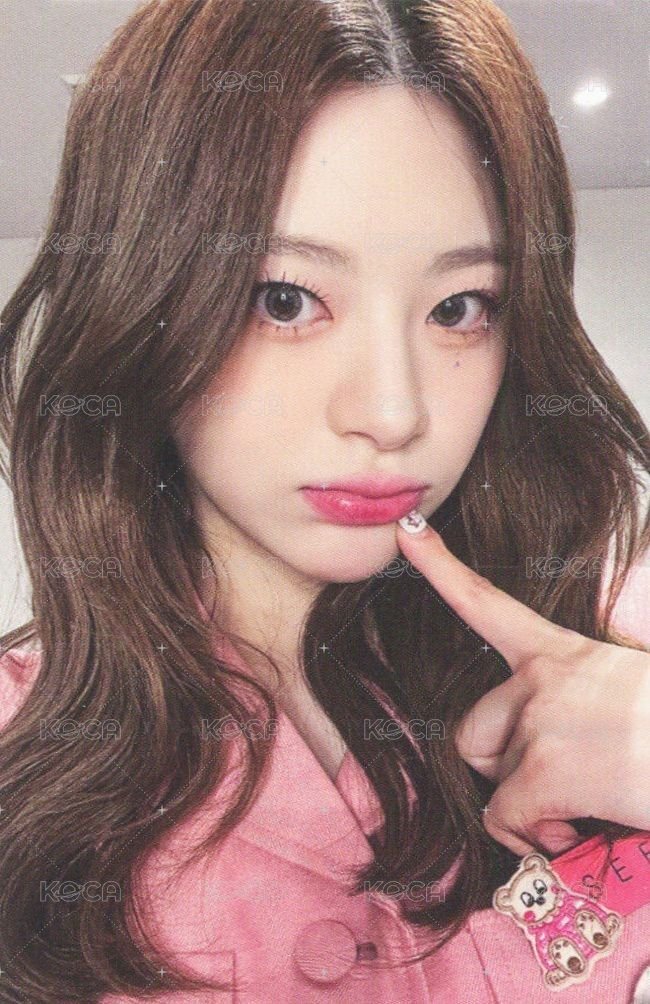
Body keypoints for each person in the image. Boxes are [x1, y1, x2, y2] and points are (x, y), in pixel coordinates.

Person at [0, 0, 648, 1000]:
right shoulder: (23, 739)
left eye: (458, 308)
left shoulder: (600, 647)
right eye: (285, 299)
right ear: (141, 302)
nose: (393, 412)